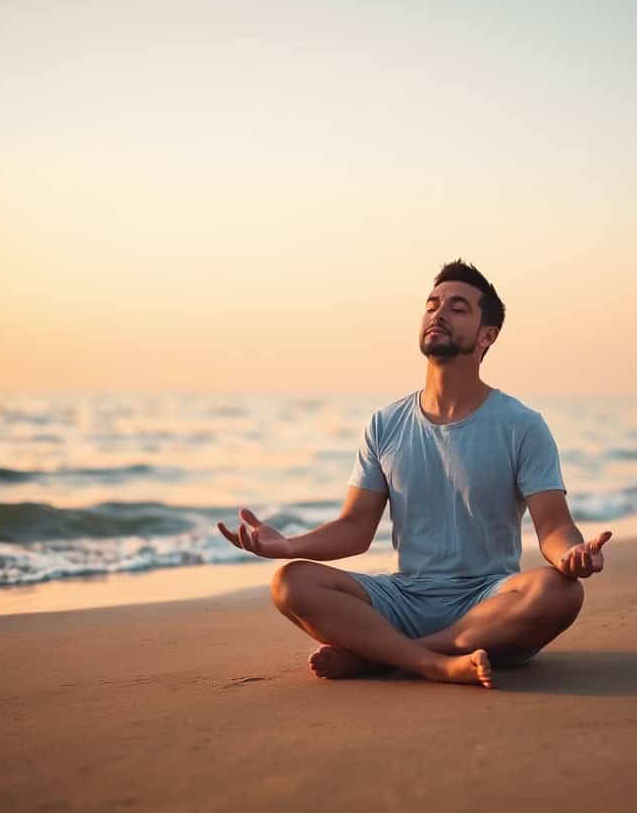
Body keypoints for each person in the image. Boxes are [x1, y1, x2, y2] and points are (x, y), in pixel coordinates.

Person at [218, 260, 611, 689]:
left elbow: (553, 526)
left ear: (487, 335)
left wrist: (572, 554)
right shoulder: (385, 423)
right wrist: (288, 545)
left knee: (562, 591)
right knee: (291, 582)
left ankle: (390, 655)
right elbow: (354, 528)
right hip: (404, 598)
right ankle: (432, 662)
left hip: (487, 602)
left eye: (457, 307)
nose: (438, 314)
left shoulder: (521, 424)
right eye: (431, 304)